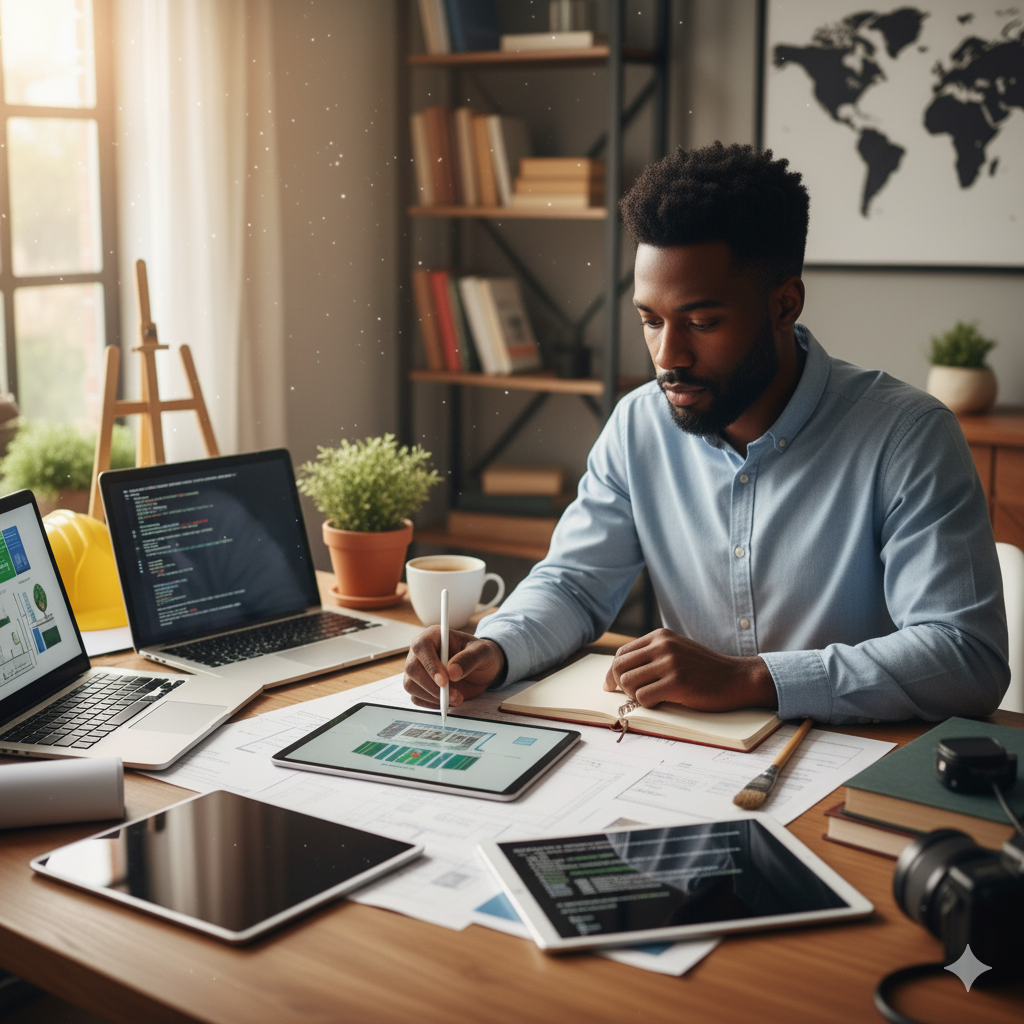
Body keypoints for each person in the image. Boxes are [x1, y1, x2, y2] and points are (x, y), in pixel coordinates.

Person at [403, 142, 1009, 725]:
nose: (668, 356)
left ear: (784, 305)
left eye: (701, 321)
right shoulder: (638, 425)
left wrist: (753, 679)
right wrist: (496, 647)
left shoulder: (909, 437)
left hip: (855, 759)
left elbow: (967, 656)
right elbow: (574, 584)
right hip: (689, 758)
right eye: (650, 320)